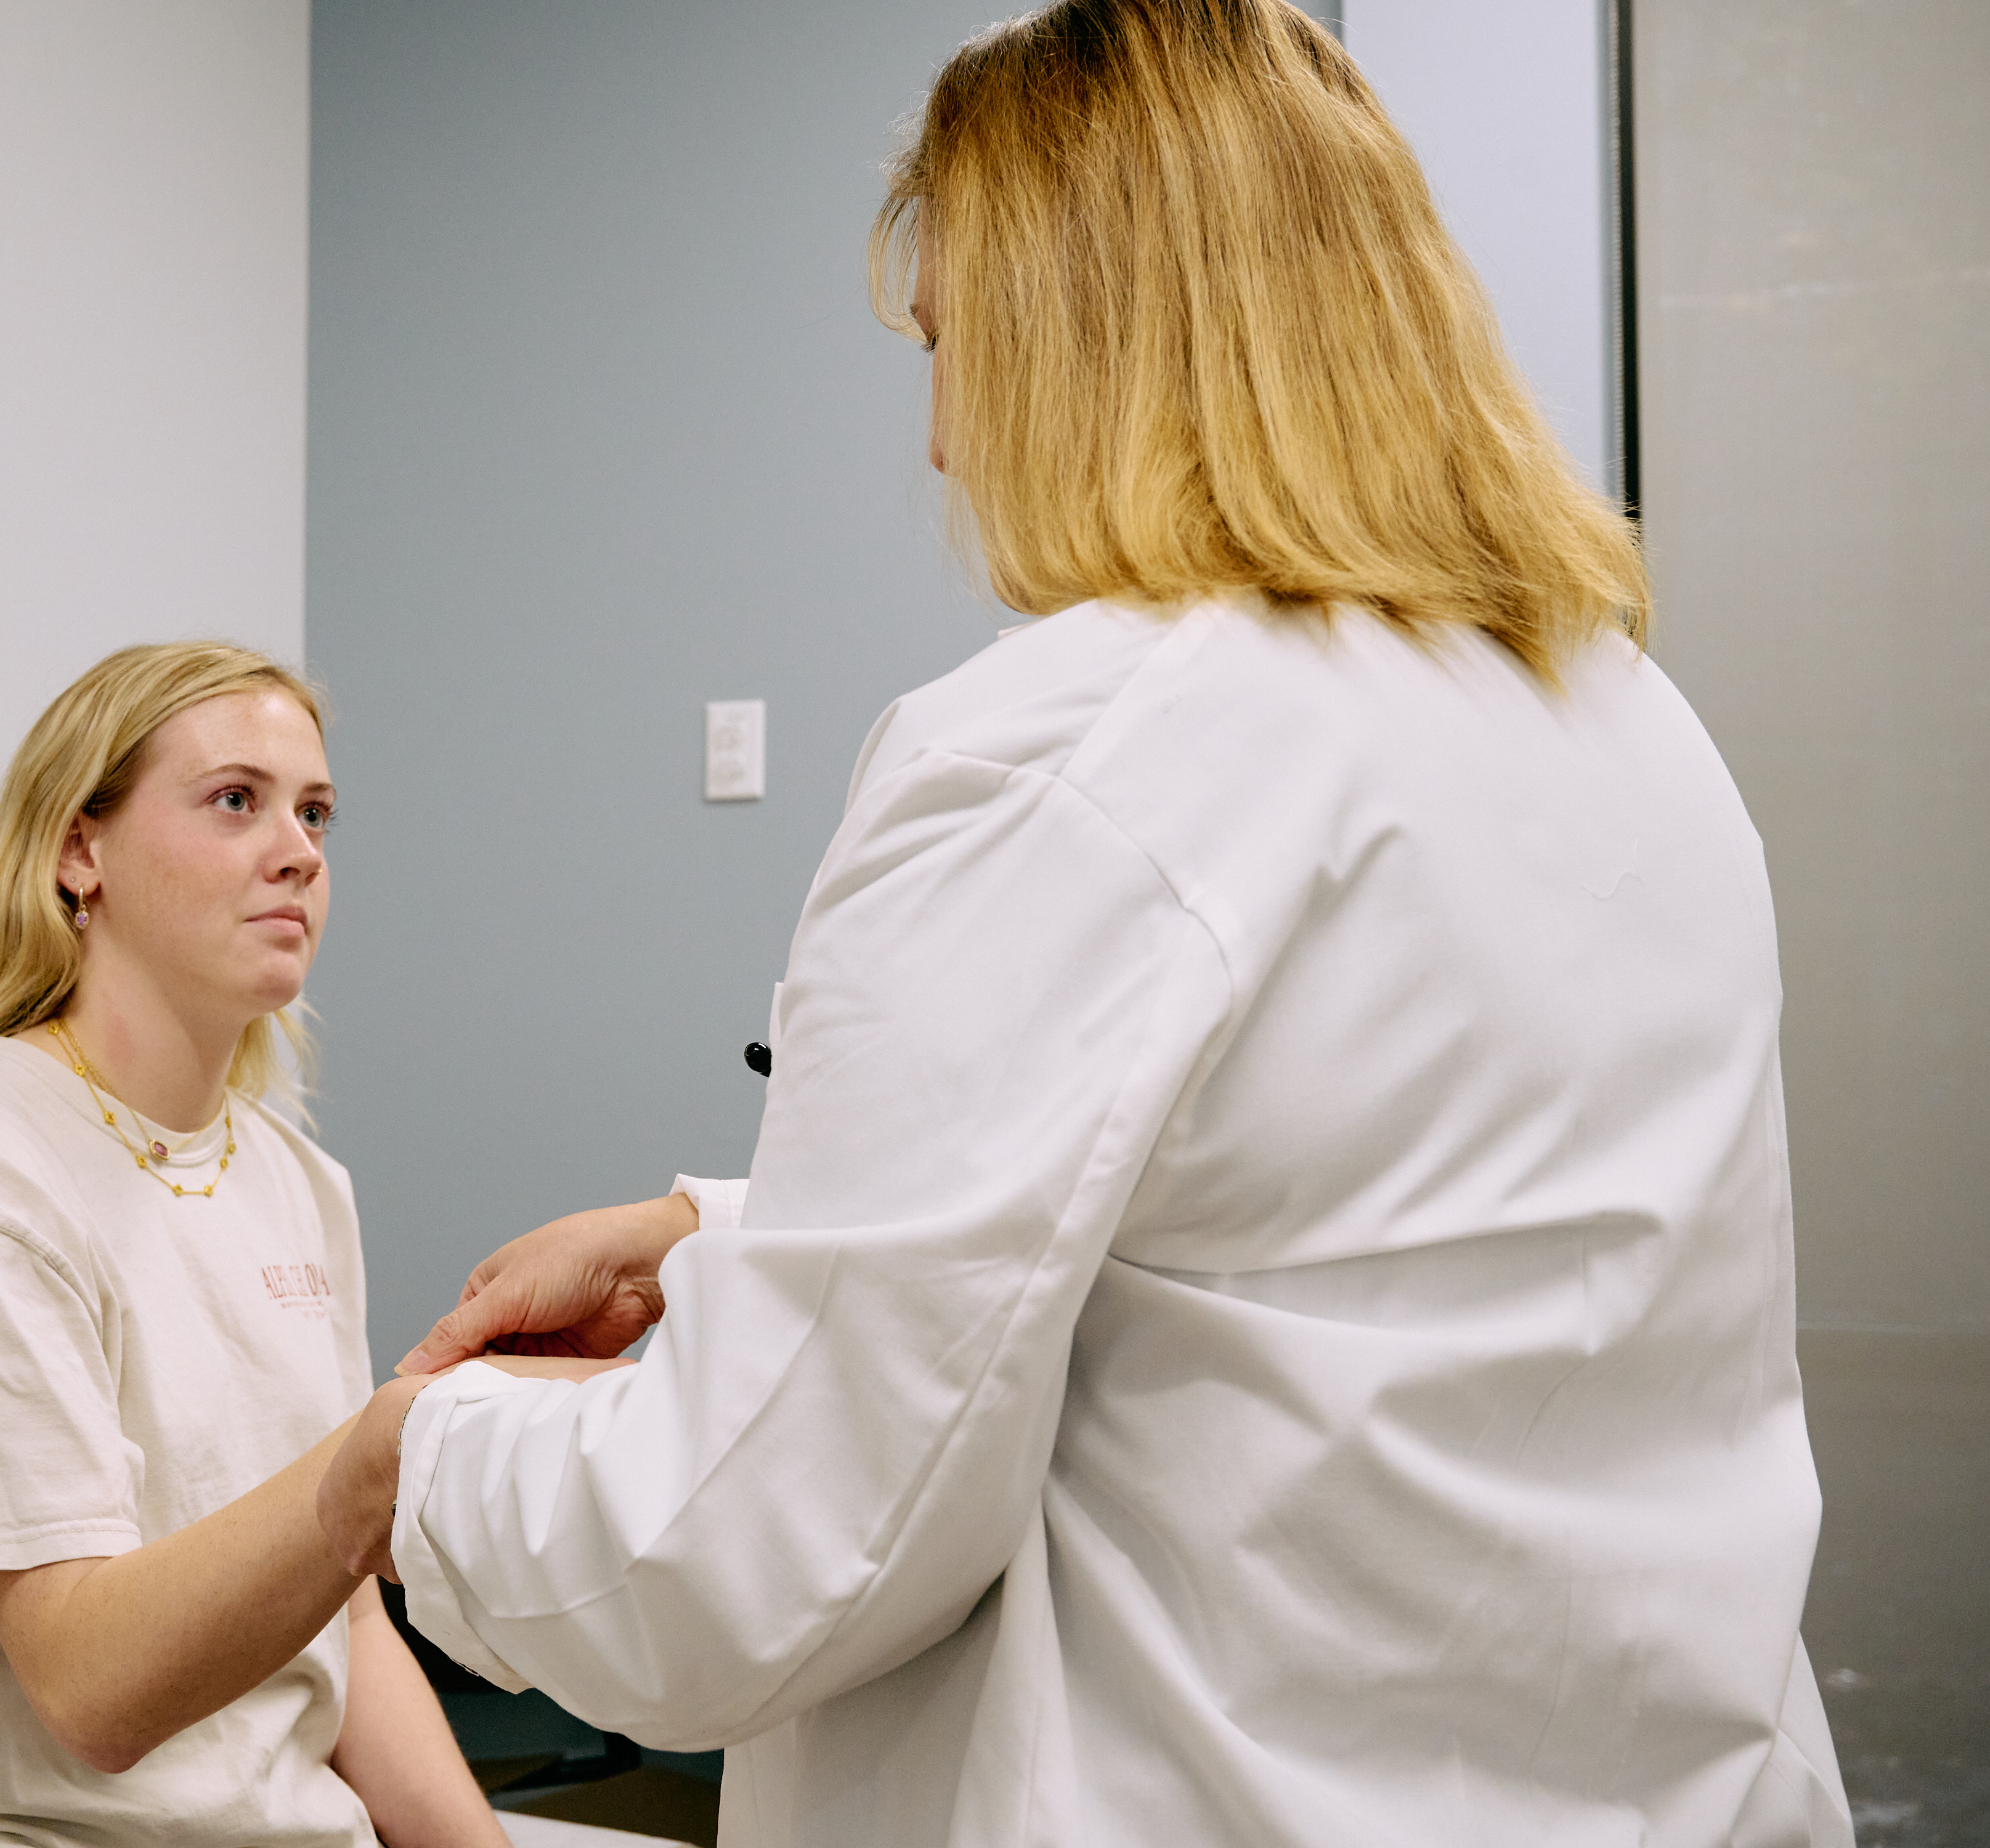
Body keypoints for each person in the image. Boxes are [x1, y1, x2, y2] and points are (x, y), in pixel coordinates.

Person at [319, 4, 1849, 1846]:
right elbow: (1333, 1246)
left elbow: (752, 1556)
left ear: (1083, 339)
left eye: (953, 347)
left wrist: (404, 1466)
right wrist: (700, 1232)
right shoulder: (1624, 732)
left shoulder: (1068, 754)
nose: (949, 445)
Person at [0, 642, 510, 1848]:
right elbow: (91, 1693)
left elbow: (350, 1630)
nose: (301, 852)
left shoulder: (299, 1183)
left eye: (316, 812)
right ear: (81, 854)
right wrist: (375, 1466)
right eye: (237, 801)